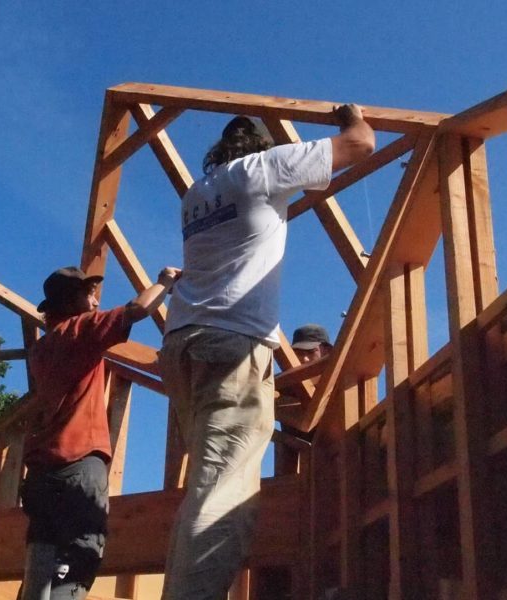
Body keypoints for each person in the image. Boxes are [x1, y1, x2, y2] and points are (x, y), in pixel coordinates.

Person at [159, 105, 375, 599]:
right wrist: (351, 116)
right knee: (224, 492)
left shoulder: (196, 195)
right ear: (262, 147)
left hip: (182, 342)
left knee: (205, 487)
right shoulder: (263, 169)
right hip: (230, 343)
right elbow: (362, 144)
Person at [19, 265, 180, 600]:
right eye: (88, 294)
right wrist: (164, 282)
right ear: (70, 302)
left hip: (41, 474)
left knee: (41, 564)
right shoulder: (82, 330)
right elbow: (137, 310)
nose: (95, 302)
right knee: (79, 557)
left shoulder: (41, 349)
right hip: (77, 465)